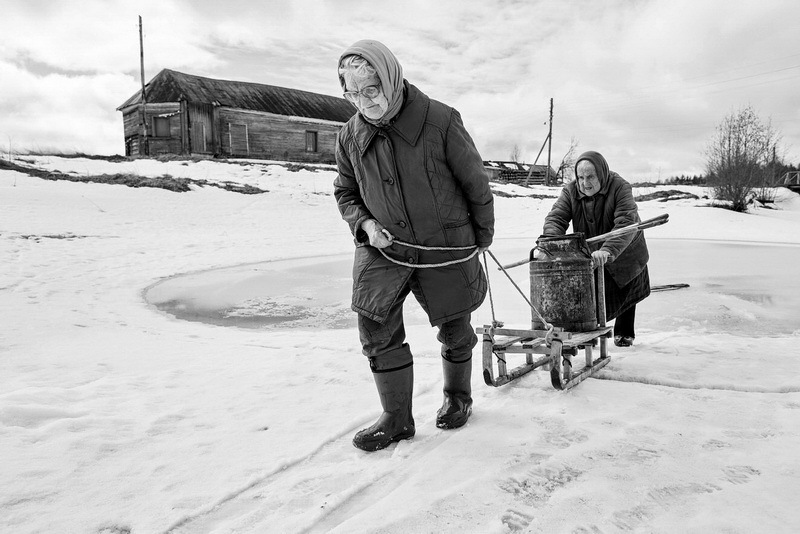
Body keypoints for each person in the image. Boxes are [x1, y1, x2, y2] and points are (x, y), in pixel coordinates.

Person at [333, 40, 494, 452]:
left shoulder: (439, 119)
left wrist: (482, 236)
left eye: (370, 90)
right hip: (383, 247)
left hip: (443, 242)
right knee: (374, 324)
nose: (362, 101)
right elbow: (345, 192)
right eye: (351, 93)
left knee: (455, 323)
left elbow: (474, 182)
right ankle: (397, 418)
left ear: (391, 78)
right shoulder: (349, 135)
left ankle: (458, 399)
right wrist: (364, 223)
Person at [542, 151, 650, 347]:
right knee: (594, 293)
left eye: (590, 176)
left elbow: (626, 222)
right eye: (581, 177)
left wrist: (608, 250)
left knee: (625, 286)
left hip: (625, 248)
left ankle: (624, 332)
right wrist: (550, 243)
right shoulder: (570, 191)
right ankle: (588, 332)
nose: (585, 182)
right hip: (593, 251)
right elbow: (556, 218)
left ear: (601, 173)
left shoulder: (620, 187)